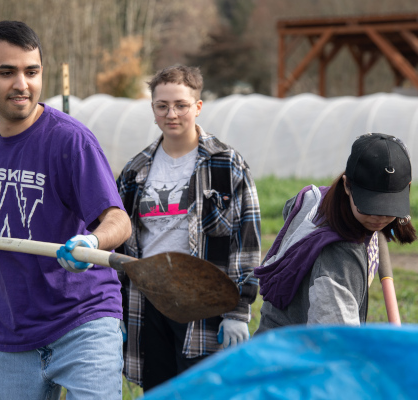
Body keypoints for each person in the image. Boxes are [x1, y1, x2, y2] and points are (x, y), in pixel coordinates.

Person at [0, 21, 131, 400]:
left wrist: (91, 240)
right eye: (7, 72)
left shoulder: (70, 141)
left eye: (31, 72)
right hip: (14, 328)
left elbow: (118, 220)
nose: (22, 84)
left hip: (84, 319)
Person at [116, 65, 261, 391]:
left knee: (203, 390)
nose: (172, 113)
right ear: (152, 108)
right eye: (162, 105)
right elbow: (121, 245)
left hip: (204, 300)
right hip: (149, 300)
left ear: (197, 106)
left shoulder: (226, 164)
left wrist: (238, 310)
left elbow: (246, 241)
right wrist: (117, 311)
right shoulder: (136, 170)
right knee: (159, 390)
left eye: (181, 105)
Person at [255, 133, 416, 333]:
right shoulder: (338, 256)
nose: (379, 217)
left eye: (389, 208)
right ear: (347, 186)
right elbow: (337, 341)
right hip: (293, 357)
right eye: (370, 206)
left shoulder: (320, 201)